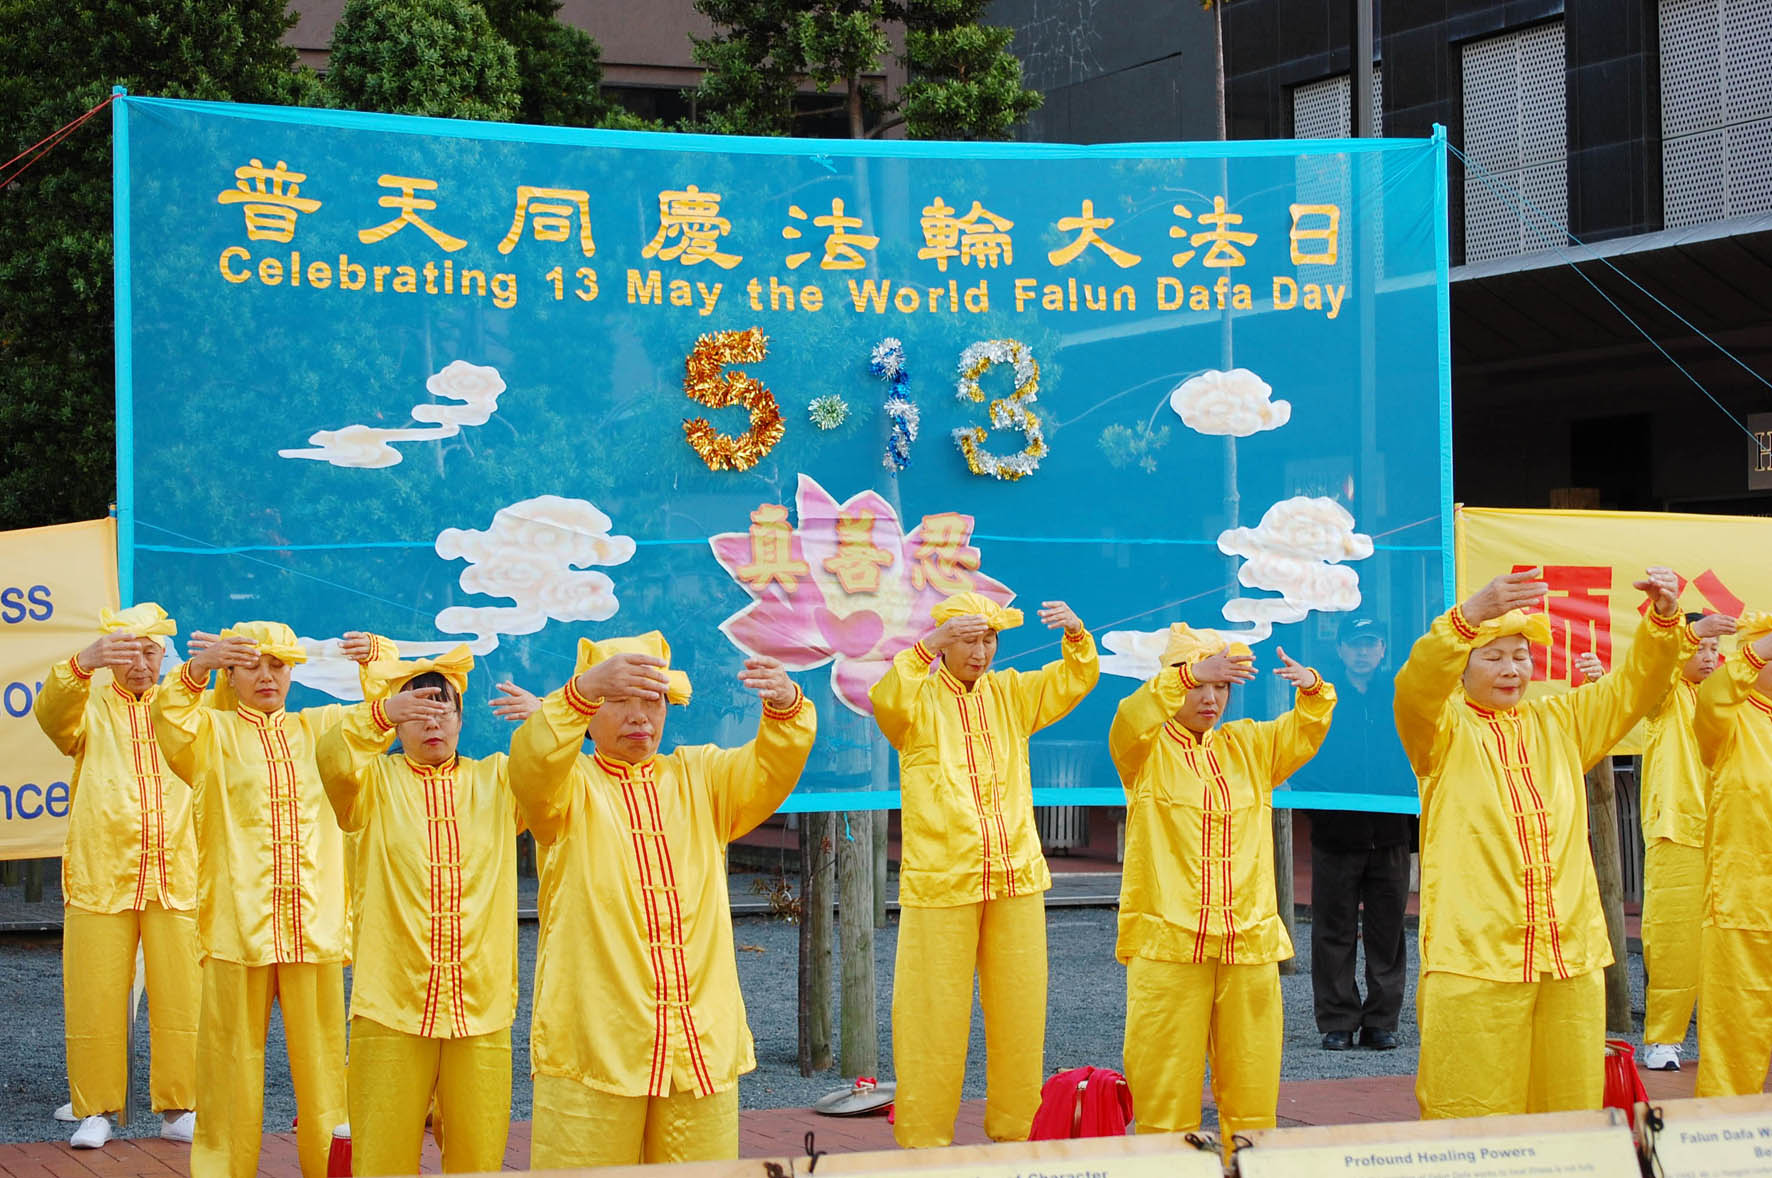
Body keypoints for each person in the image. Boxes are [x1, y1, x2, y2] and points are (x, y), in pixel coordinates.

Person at [509, 633, 814, 1168]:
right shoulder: (566, 788)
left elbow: (769, 769)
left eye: (651, 700)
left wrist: (787, 708)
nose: (638, 716)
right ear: (588, 711)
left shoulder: (703, 777)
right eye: (618, 700)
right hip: (595, 1044)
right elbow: (532, 766)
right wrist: (577, 692)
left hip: (698, 1043)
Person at [1396, 567, 1684, 1119]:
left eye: (1521, 656)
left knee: (1569, 1114)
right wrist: (1466, 618)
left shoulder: (1562, 721)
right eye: (1493, 656)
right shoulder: (1441, 732)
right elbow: (1414, 688)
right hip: (1476, 959)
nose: (1511, 669)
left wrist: (1664, 621)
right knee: (1472, 1116)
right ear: (1462, 667)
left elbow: (1634, 686)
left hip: (1569, 956)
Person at [152, 623, 388, 1178]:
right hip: (238, 928)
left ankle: (330, 1168)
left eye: (277, 665)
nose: (266, 676)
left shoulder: (320, 729)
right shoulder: (209, 734)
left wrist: (375, 659)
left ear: (293, 672)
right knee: (228, 1068)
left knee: (326, 1069)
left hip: (312, 927)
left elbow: (378, 722)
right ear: (230, 676)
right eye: (251, 665)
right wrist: (199, 665)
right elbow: (169, 714)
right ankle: (222, 1169)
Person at [870, 592, 1099, 1149]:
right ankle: (923, 1141)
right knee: (931, 1017)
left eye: (988, 639)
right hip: (941, 880)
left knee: (1022, 1014)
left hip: (1016, 874)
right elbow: (887, 699)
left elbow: (1075, 678)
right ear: (944, 644)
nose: (980, 652)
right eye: (968, 640)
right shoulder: (917, 700)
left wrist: (1075, 635)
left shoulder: (1012, 693)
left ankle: (1017, 1133)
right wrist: (926, 646)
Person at [316, 648, 537, 1175]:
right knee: (382, 1157)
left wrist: (550, 720)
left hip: (480, 1007)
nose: (433, 723)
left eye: (443, 710)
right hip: (391, 1005)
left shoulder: (499, 781)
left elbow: (554, 776)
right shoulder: (371, 785)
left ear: (461, 719)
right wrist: (379, 713)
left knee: (479, 1158)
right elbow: (333, 759)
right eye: (417, 712)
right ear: (397, 723)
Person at [1110, 624, 1333, 1139]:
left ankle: (1251, 1166)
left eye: (1221, 686)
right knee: (1164, 1090)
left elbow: (1306, 729)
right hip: (1168, 943)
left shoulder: (1251, 745)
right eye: (1198, 685)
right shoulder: (1143, 749)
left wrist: (1312, 689)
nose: (1210, 698)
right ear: (1173, 680)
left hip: (1248, 944)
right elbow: (1130, 718)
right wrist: (1188, 674)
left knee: (1254, 1089)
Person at [33, 603, 199, 1149]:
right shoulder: (90, 705)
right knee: (96, 993)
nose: (140, 664)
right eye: (128, 653)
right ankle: (97, 1110)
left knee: (183, 994)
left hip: (176, 872)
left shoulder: (181, 707)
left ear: (164, 656)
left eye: (150, 653)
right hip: (102, 871)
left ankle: (180, 1108)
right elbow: (52, 717)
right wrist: (81, 664)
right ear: (109, 658)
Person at [1580, 612, 1736, 1071]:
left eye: (1714, 650)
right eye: (1699, 648)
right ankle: (1664, 1039)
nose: (1708, 657)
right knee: (1674, 940)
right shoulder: (1667, 694)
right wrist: (1687, 637)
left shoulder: (1725, 697)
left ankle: (1729, 1039)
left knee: (1732, 942)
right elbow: (1655, 672)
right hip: (1678, 830)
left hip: (1732, 834)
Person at [1306, 617, 1414, 1052]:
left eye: (1371, 643)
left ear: (1383, 649)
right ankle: (1337, 1021)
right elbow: (1304, 751)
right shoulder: (1325, 698)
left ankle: (1381, 1021)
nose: (1363, 651)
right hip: (1336, 833)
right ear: (1341, 649)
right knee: (1333, 930)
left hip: (1390, 833)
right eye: (1355, 644)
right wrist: (1318, 806)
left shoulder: (1401, 696)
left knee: (1388, 932)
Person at [1693, 611, 1772, 1097]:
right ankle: (1724, 1134)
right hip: (1743, 905)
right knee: (1735, 1040)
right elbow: (1714, 695)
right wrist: (1758, 651)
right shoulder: (1728, 719)